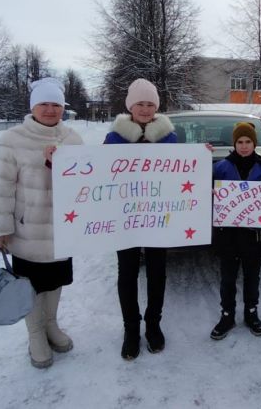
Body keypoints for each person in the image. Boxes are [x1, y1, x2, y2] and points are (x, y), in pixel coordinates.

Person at [0, 77, 83, 369]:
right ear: (33, 107)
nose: (51, 110)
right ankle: (35, 334)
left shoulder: (72, 139)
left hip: (64, 227)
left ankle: (51, 324)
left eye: (56, 104)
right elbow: (0, 187)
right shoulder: (12, 139)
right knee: (31, 285)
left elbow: (88, 183)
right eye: (44, 104)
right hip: (29, 231)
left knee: (55, 282)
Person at [103, 78, 177, 360]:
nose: (145, 109)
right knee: (128, 273)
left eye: (150, 104)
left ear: (156, 107)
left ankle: (154, 325)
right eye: (140, 104)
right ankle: (131, 329)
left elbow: (180, 173)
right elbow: (101, 175)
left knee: (158, 272)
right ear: (130, 106)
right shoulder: (114, 138)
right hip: (125, 218)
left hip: (159, 218)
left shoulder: (169, 137)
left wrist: (197, 157)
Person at [210, 121, 261, 340]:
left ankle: (251, 313)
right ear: (234, 143)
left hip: (253, 234)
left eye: (248, 142)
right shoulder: (220, 168)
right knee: (227, 277)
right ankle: (227, 315)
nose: (244, 146)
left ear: (254, 143)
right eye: (240, 142)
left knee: (252, 276)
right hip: (227, 234)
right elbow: (200, 186)